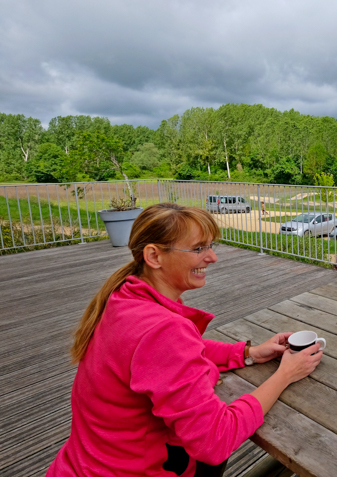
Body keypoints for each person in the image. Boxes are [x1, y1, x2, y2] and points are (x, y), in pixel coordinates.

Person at [47, 203, 322, 477]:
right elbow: (215, 440)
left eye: (211, 246)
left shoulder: (124, 298)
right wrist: (286, 373)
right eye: (199, 248)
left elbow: (176, 354)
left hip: (82, 465)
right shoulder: (161, 330)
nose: (212, 257)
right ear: (154, 256)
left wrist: (249, 352)